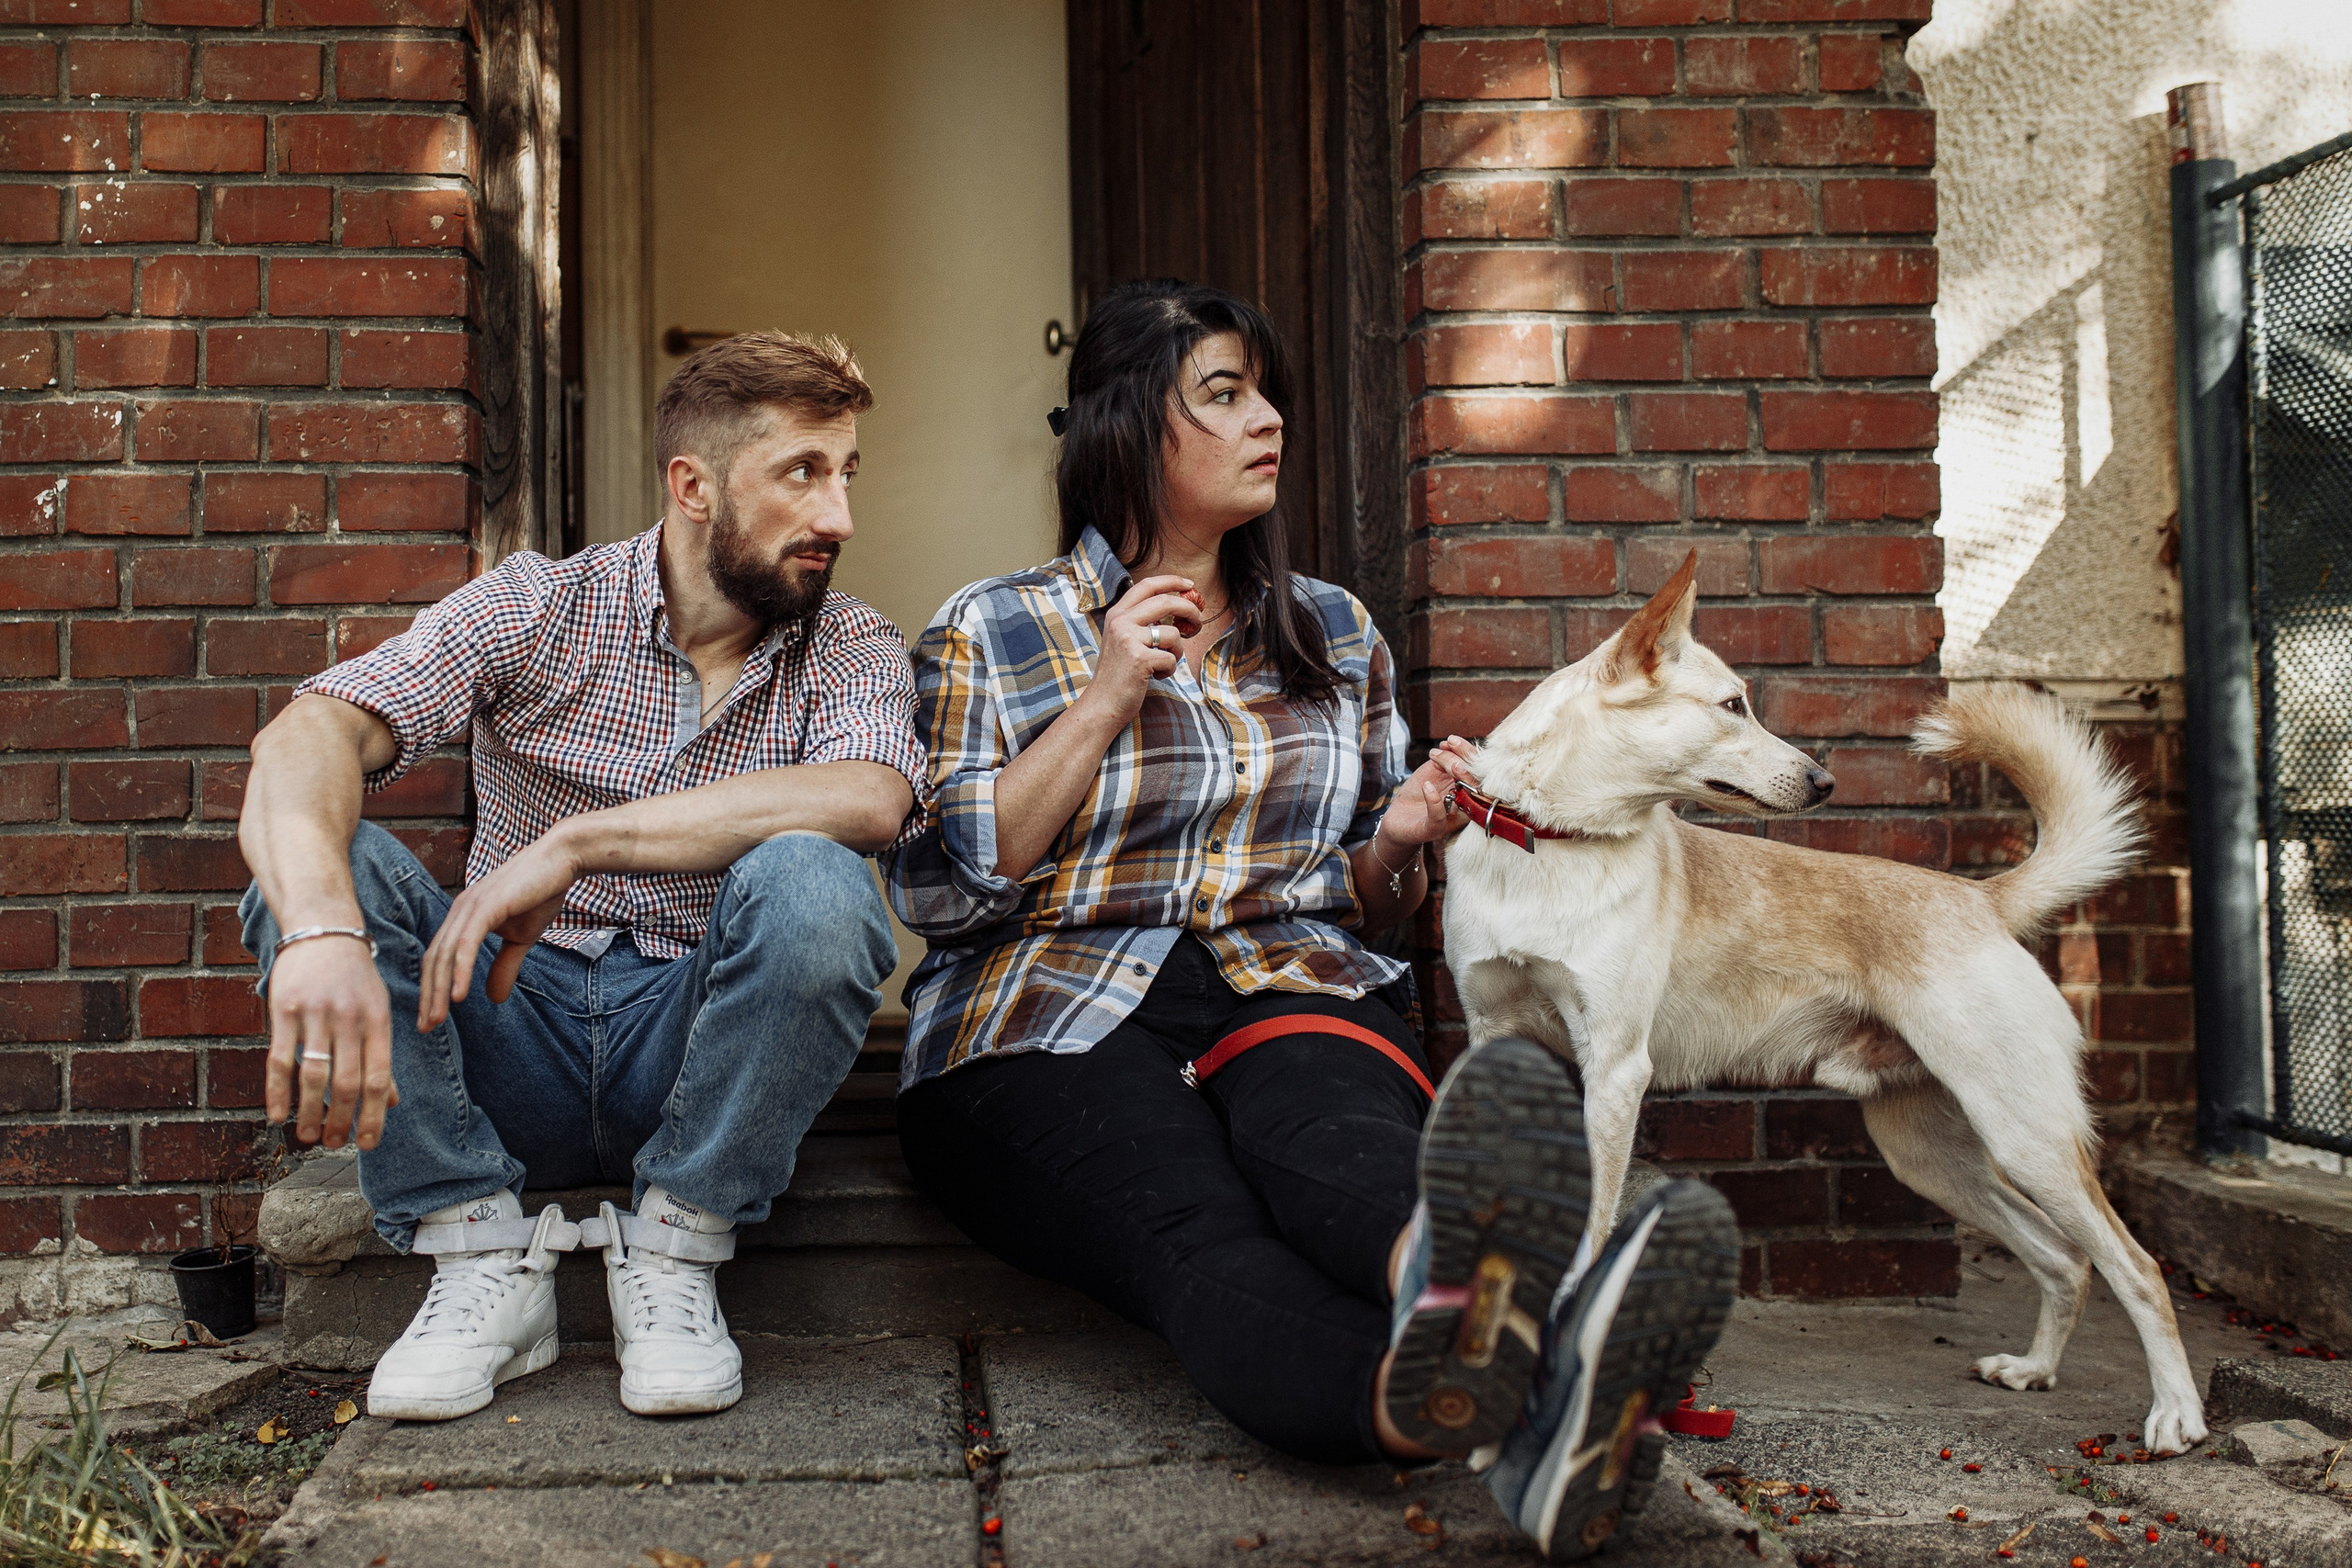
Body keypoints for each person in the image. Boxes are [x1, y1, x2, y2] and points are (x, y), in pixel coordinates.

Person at [884, 280, 1740, 1559]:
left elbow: (1373, 917)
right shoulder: (994, 625)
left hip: (1288, 976)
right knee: (1192, 1226)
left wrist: (1397, 844)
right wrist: (1106, 690)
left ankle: (1502, 1328)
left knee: (1347, 1158)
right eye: (1224, 394)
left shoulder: (1333, 631)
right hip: (1044, 1007)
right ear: (1128, 425)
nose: (1269, 419)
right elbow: (941, 890)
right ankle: (1483, 1393)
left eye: (1264, 392)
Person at [238, 333, 921, 1422]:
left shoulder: (848, 644)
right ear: (693, 487)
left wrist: (578, 842)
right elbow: (311, 733)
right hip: (501, 1035)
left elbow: (870, 798)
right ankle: (476, 1253)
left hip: (692, 1050)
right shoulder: (541, 605)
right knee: (332, 865)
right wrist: (321, 932)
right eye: (801, 472)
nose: (837, 515)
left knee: (818, 884)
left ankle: (679, 1245)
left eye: (845, 474)